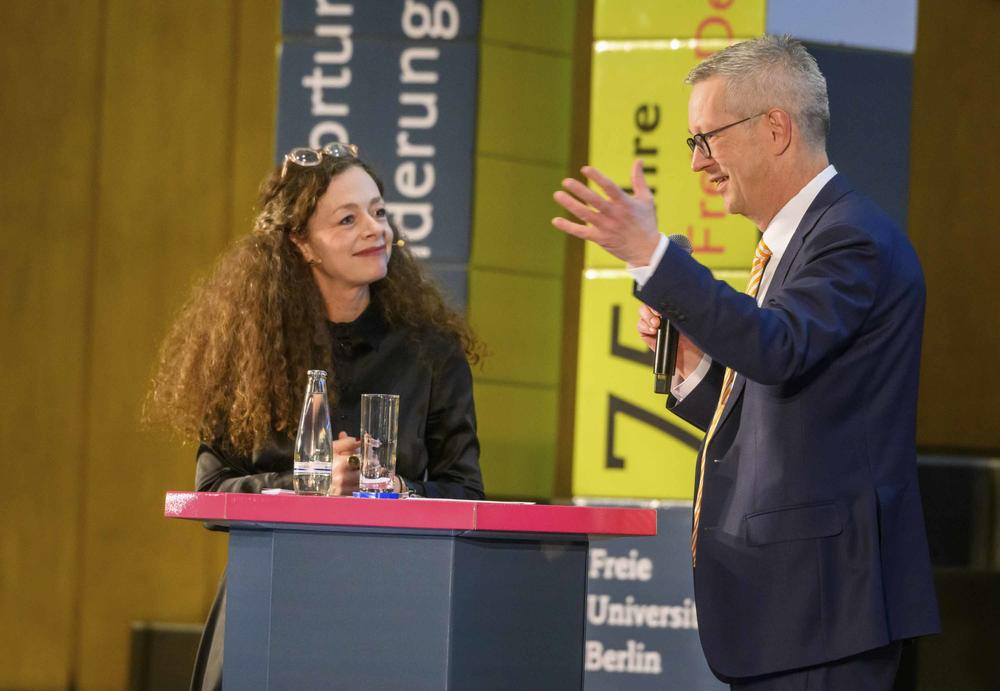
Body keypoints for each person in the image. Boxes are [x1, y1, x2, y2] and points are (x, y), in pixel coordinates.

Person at [552, 35, 939, 690]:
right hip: (793, 614)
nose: (698, 161)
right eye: (691, 142)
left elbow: (777, 347)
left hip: (823, 611)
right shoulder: (794, 244)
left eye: (708, 137)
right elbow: (778, 408)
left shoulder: (849, 236)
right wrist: (694, 368)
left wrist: (654, 258)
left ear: (777, 128)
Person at [147, 142, 485, 690]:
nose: (374, 229)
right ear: (301, 243)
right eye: (347, 219)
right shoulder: (248, 352)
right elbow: (211, 493)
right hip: (272, 603)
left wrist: (395, 488)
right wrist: (307, 485)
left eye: (378, 211)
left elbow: (466, 492)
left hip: (395, 610)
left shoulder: (432, 353)